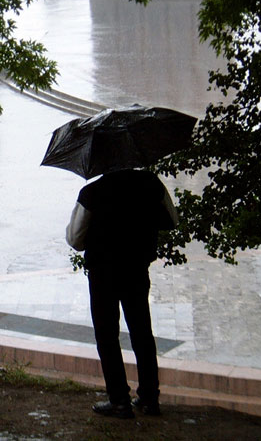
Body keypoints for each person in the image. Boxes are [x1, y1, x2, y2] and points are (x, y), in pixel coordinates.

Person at [66, 168, 178, 418]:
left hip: (103, 273)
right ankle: (150, 399)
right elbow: (171, 221)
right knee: (142, 333)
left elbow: (75, 239)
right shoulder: (150, 184)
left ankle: (119, 401)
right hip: (137, 269)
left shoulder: (92, 193)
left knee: (107, 336)